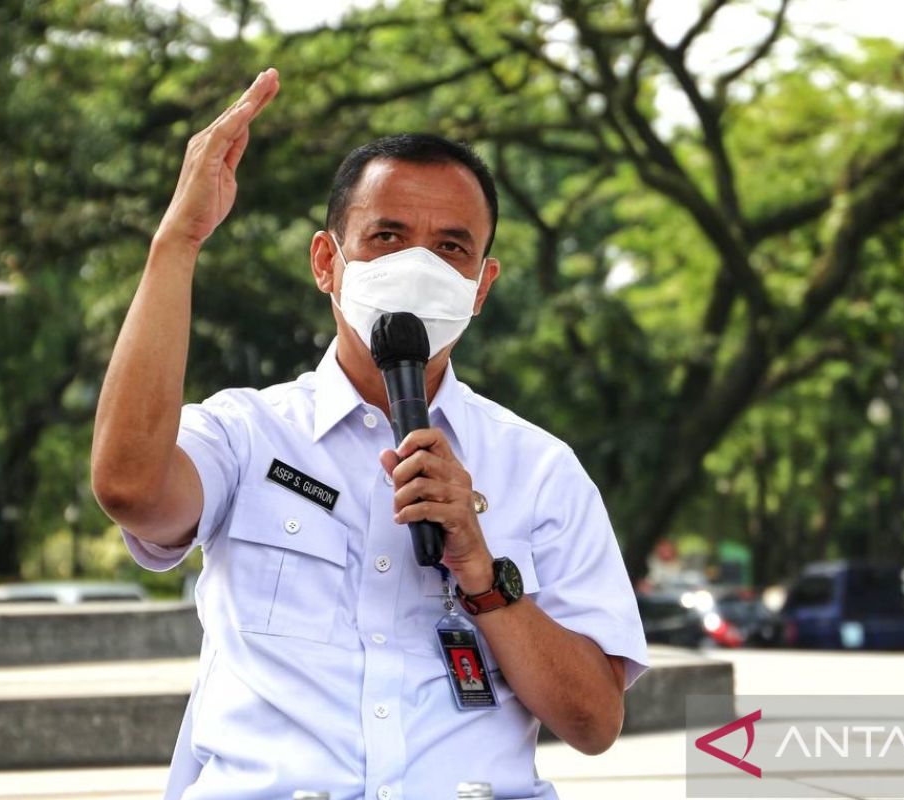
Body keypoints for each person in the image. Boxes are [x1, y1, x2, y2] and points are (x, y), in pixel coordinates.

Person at [91, 68, 648, 800]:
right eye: (387, 236)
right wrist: (179, 241)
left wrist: (484, 576)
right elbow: (129, 486)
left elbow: (595, 722)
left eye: (451, 248)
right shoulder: (246, 435)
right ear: (328, 261)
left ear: (481, 286)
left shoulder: (539, 469)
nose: (418, 265)